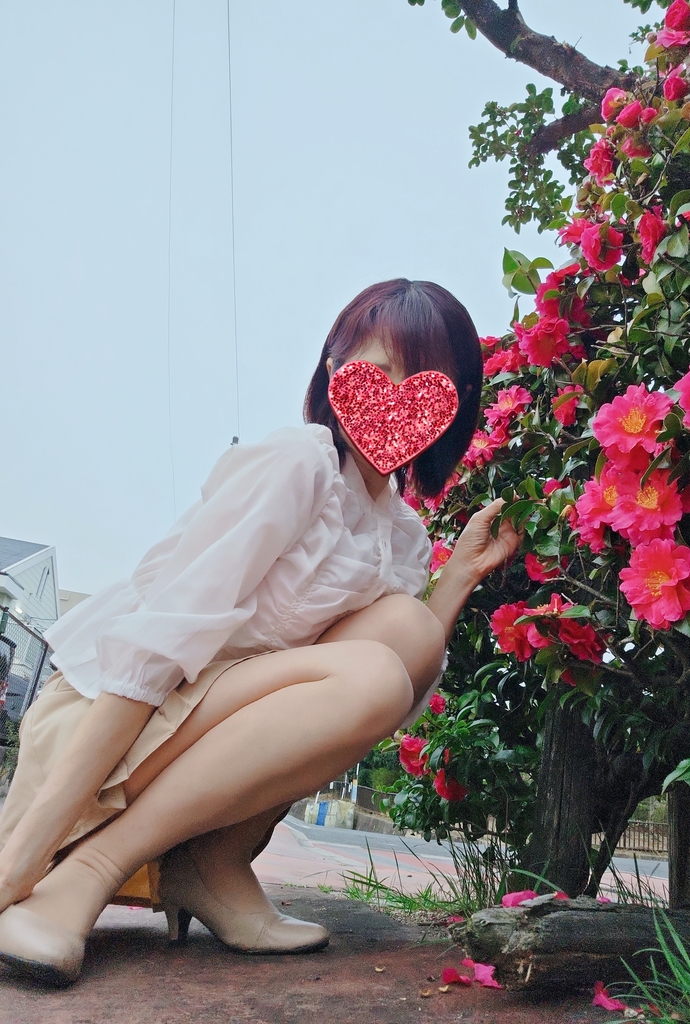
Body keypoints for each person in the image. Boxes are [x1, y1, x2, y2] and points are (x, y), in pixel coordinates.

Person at [0, 279, 521, 985]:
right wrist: (20, 858)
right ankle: (85, 870)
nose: (395, 399)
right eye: (378, 370)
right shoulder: (299, 465)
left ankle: (211, 865)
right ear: (334, 370)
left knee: (407, 638)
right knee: (373, 673)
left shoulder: (401, 535)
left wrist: (459, 574)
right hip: (132, 713)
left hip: (213, 726)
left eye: (424, 385)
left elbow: (388, 695)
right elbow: (157, 646)